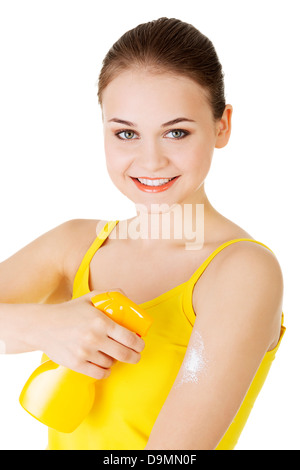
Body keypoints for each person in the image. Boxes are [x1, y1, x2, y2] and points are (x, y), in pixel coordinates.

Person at [0, 17, 285, 450]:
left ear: (222, 126)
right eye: (126, 133)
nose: (150, 161)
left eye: (176, 132)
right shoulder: (75, 245)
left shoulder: (242, 272)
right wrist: (44, 325)